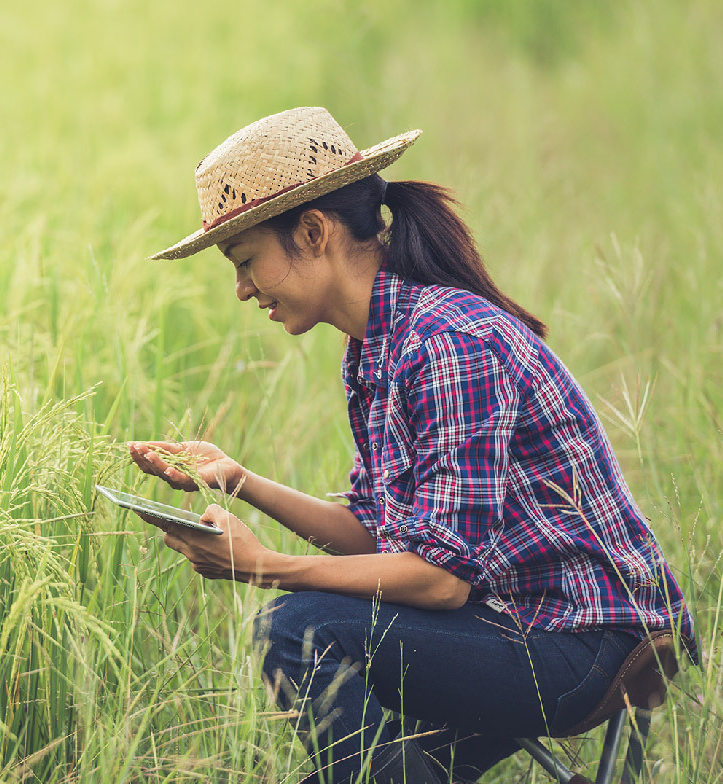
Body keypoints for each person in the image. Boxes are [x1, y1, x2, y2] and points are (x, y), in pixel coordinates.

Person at [125, 107, 696, 783]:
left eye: (247, 261)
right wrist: (239, 480)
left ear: (314, 232)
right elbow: (379, 538)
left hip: (588, 640)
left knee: (295, 629)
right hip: (513, 624)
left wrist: (263, 566)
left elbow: (440, 580)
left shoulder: (448, 343)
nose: (242, 289)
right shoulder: (375, 350)